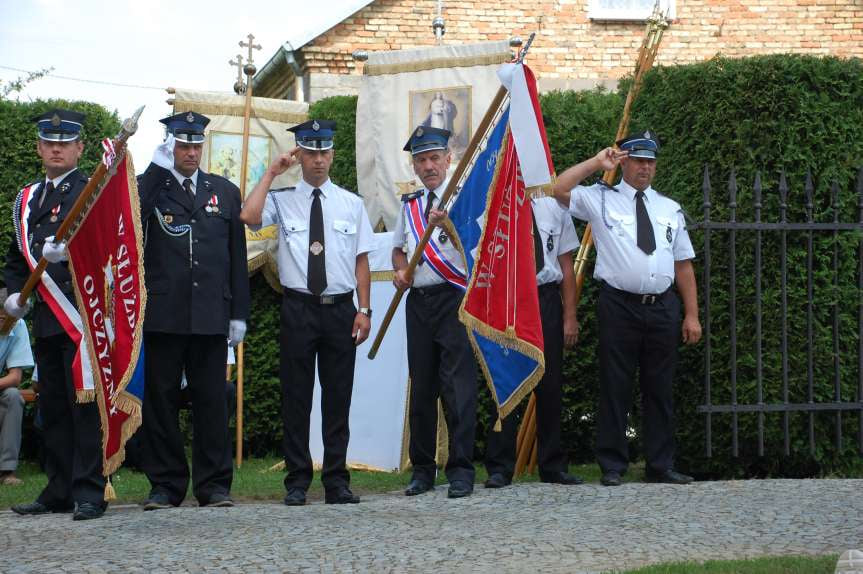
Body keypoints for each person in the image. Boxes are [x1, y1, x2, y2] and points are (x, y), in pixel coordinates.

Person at [552, 130, 702, 486]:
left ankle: (660, 464)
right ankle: (613, 465)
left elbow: (683, 265)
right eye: (637, 160)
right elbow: (557, 189)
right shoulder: (600, 200)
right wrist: (595, 162)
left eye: (650, 162)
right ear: (623, 162)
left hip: (662, 306)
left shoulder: (669, 208)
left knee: (660, 387)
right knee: (615, 385)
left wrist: (692, 314)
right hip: (619, 305)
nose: (645, 168)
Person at [241, 119, 373, 506]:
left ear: (333, 155)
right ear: (298, 155)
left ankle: (337, 481)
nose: (318, 160)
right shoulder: (281, 200)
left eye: (324, 152)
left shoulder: (352, 204)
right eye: (310, 152)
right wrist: (271, 172)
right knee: (296, 398)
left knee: (338, 399)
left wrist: (364, 309)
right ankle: (297, 481)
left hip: (340, 310)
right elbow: (248, 216)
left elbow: (362, 261)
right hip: (298, 308)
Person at [137, 111, 249, 510]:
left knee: (211, 399)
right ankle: (165, 485)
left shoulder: (225, 191)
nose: (190, 152)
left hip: (209, 314)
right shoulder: (151, 187)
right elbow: (133, 217)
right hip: (164, 315)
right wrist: (155, 168)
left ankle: (214, 485)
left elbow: (236, 256)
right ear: (170, 145)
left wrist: (239, 312)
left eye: (196, 144)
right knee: (161, 401)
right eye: (182, 144)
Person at [3, 108, 107, 520]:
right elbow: (16, 258)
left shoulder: (91, 191)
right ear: (39, 148)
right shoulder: (28, 198)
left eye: (65, 143)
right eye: (50, 142)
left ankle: (89, 492)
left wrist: (71, 257)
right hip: (46, 318)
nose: (57, 149)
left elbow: (107, 252)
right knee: (55, 409)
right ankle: (59, 488)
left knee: (84, 407)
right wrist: (13, 296)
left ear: (80, 148)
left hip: (82, 316)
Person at [392, 126, 478, 499]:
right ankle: (423, 470)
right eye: (421, 160)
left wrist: (449, 225)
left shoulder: (464, 201)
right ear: (415, 165)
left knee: (457, 386)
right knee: (422, 385)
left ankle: (460, 470)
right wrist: (400, 270)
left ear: (448, 160)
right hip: (420, 303)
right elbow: (399, 249)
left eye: (434, 159)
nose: (429, 166)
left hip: (455, 299)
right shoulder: (410, 206)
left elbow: (477, 247)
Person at [483, 196, 584, 488]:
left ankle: (552, 465)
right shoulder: (495, 204)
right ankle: (500, 467)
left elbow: (565, 264)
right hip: (508, 301)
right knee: (505, 383)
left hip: (545, 299)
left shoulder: (555, 206)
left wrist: (569, 315)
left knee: (550, 384)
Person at [0, 288, 35, 486]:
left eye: (8, 319)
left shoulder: (17, 323)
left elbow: (15, 378)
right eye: (1, 318)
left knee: (13, 396)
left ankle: (7, 471)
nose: (6, 324)